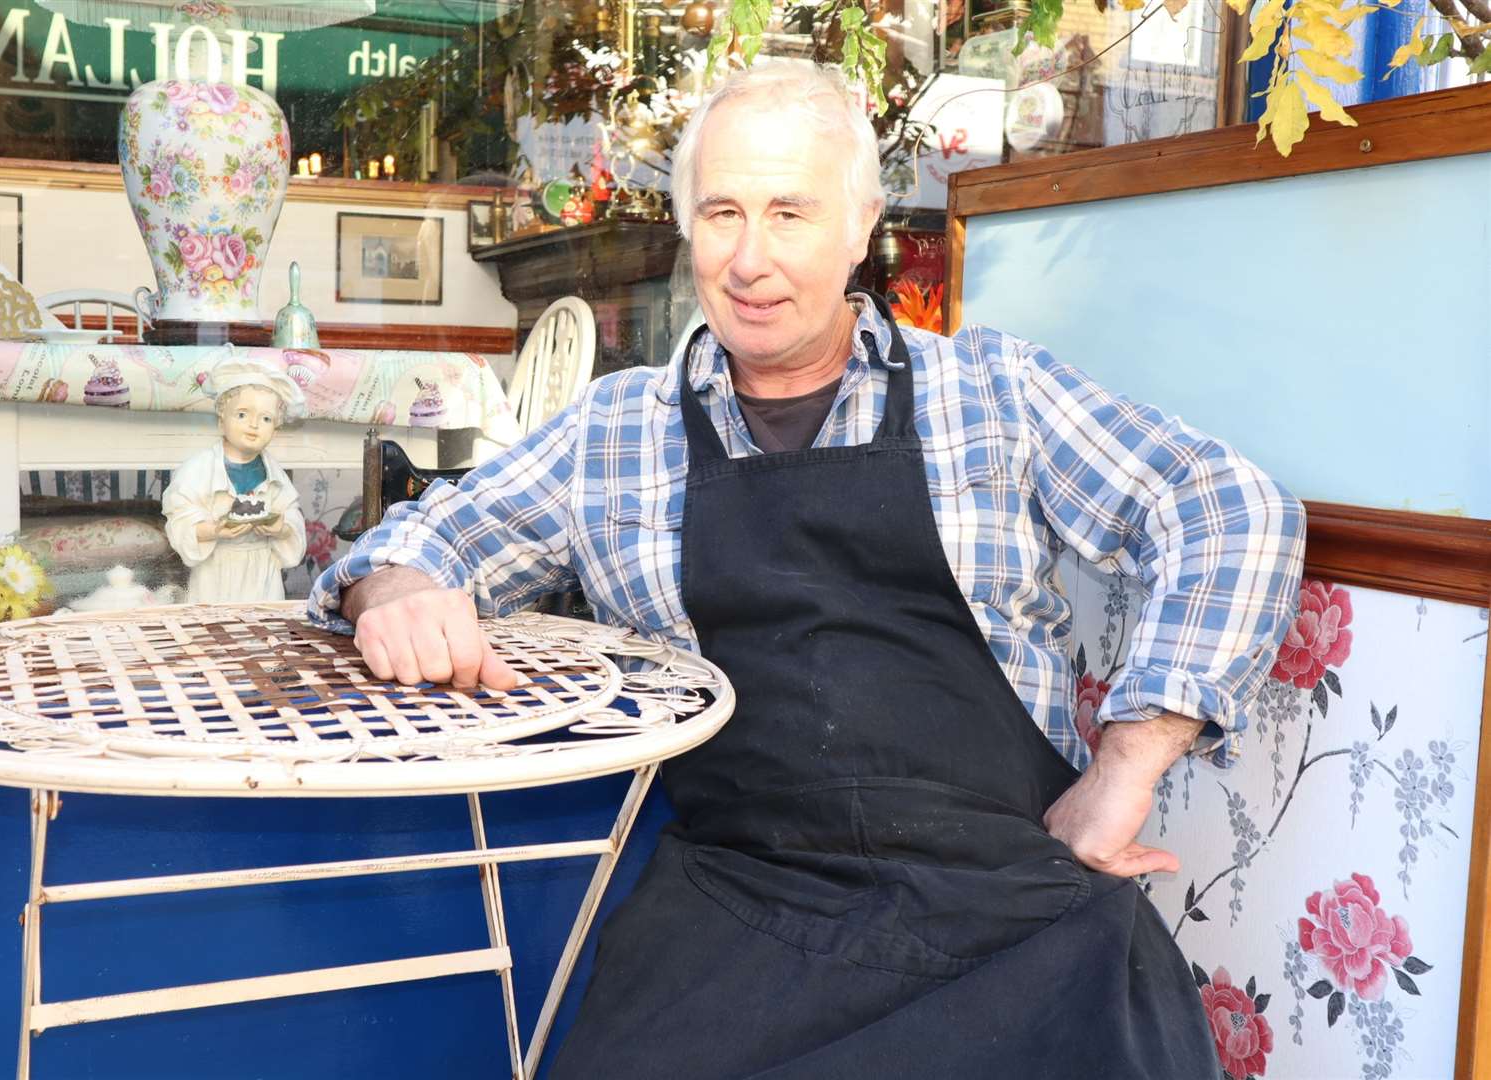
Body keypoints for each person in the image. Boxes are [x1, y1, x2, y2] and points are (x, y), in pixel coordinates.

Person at [309, 60, 1305, 1078]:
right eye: (722, 212)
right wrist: (396, 592)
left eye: (790, 213)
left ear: (861, 226)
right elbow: (409, 546)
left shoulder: (994, 392)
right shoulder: (614, 432)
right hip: (740, 912)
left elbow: (1229, 506)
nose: (750, 258)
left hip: (1011, 913)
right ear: (686, 227)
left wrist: (1127, 765)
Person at [164, 358, 306, 603]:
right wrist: (214, 530)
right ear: (222, 420)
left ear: (276, 427)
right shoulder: (197, 471)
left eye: (266, 419)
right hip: (215, 571)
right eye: (242, 414)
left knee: (262, 632)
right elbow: (179, 521)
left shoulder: (276, 476)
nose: (253, 425)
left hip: (263, 573)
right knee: (214, 633)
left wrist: (281, 528)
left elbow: (292, 518)